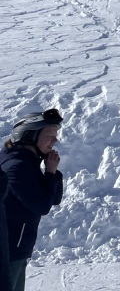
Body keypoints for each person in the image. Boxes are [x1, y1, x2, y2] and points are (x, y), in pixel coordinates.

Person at [0, 108, 64, 291]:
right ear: (29, 136)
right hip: (8, 251)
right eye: (49, 135)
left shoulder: (27, 163)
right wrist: (49, 173)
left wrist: (52, 173)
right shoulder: (16, 167)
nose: (55, 140)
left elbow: (54, 198)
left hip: (15, 248)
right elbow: (41, 205)